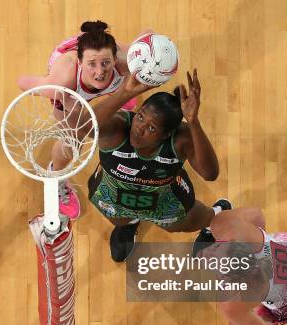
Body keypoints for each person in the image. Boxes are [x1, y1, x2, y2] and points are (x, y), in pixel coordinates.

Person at [69, 69, 227, 261]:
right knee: (119, 219)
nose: (139, 129)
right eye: (141, 116)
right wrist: (125, 93)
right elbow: (82, 126)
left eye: (151, 128)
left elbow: (210, 173)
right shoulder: (118, 128)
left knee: (193, 221)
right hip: (114, 196)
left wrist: (193, 122)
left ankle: (217, 217)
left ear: (166, 135)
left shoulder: (179, 139)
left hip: (165, 199)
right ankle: (131, 222)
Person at [17, 20, 150, 220]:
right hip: (69, 93)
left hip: (106, 69)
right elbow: (23, 82)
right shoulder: (60, 83)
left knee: (129, 79)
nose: (100, 71)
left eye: (106, 62)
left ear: (114, 58)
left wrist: (157, 58)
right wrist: (65, 99)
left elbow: (149, 35)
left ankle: (121, 92)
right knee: (72, 141)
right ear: (80, 62)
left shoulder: (127, 60)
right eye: (91, 64)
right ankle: (57, 178)